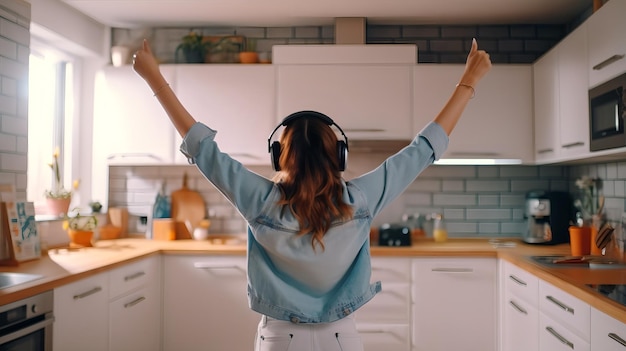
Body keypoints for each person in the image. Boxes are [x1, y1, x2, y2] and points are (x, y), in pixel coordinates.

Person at [133, 38, 491, 351]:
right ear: (338, 155)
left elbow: (202, 149)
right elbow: (422, 149)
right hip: (341, 337)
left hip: (279, 338)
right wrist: (469, 82)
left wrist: (154, 78)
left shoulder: (259, 200)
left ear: (279, 155)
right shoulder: (361, 199)